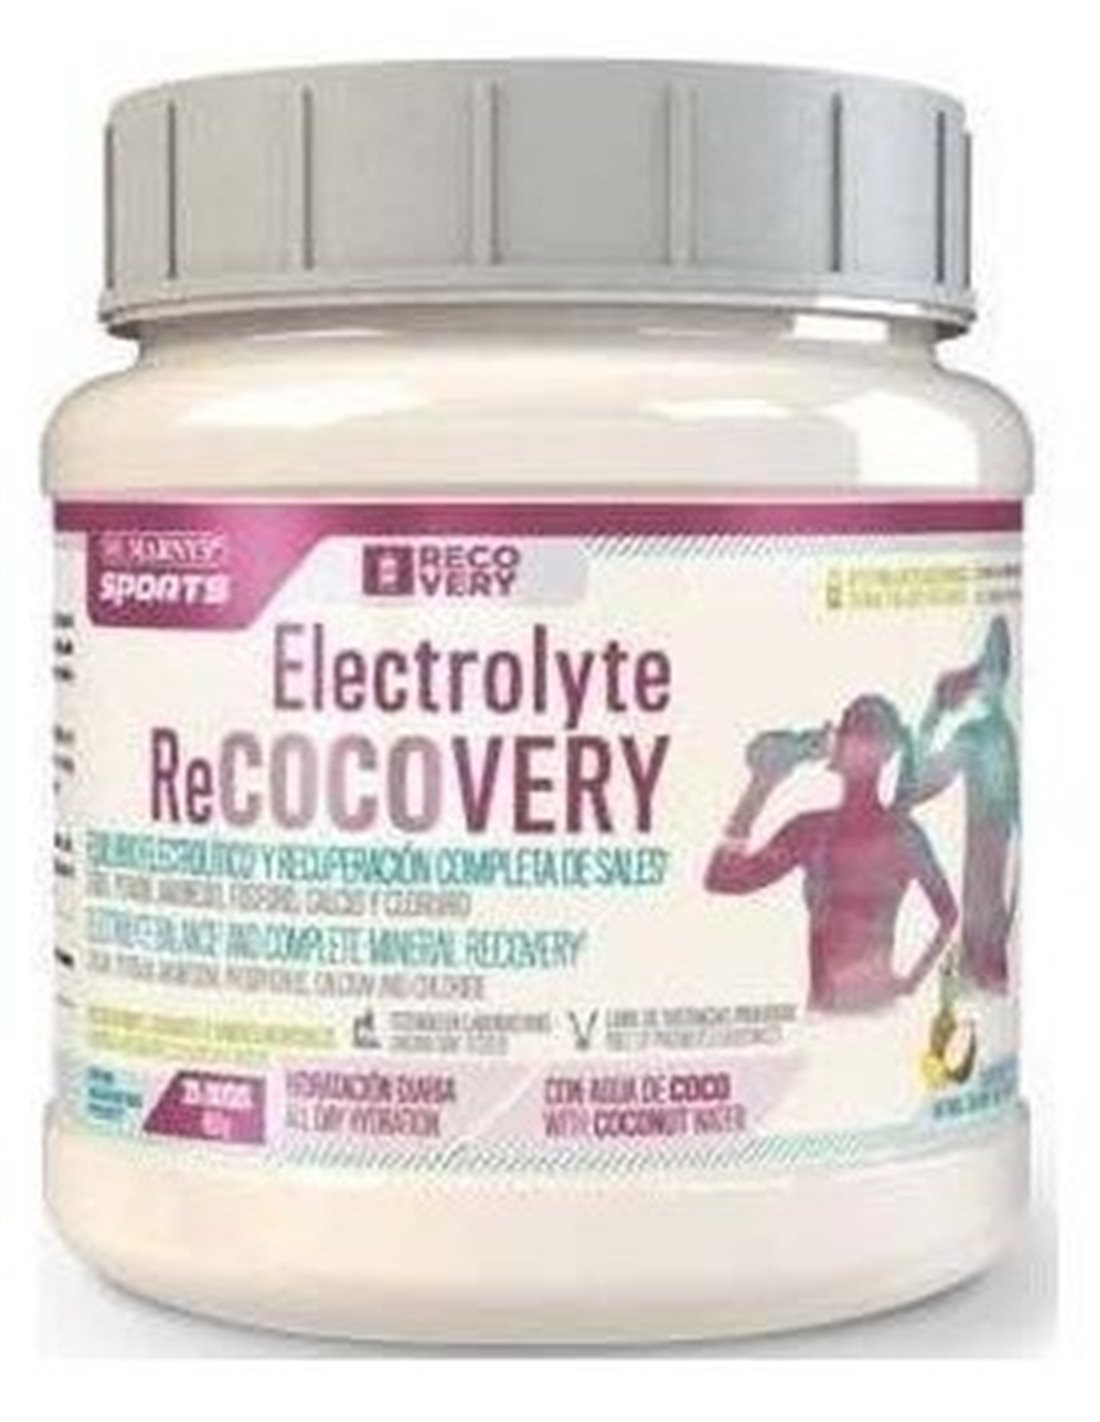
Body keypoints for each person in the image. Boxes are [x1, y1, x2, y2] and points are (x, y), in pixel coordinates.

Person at [705, 695, 957, 1013]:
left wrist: (911, 982)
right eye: (850, 733)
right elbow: (722, 879)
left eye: (864, 735)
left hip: (860, 1013)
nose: (851, 745)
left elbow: (949, 915)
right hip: (831, 1014)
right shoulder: (813, 831)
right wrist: (762, 784)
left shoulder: (897, 835)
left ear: (885, 752)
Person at [900, 617, 1019, 992]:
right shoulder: (992, 734)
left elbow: (918, 786)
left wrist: (932, 716)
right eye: (986, 671)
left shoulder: (990, 735)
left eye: (993, 671)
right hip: (990, 863)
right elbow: (919, 787)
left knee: (987, 933)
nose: (988, 681)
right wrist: (932, 716)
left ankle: (982, 978)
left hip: (993, 864)